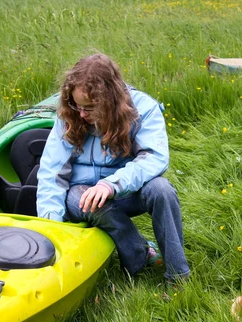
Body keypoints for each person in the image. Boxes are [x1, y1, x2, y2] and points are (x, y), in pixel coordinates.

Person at [36, 53, 190, 282]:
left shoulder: (143, 109)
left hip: (126, 190)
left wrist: (111, 185)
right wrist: (51, 229)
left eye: (89, 108)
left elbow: (154, 158)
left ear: (110, 100)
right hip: (81, 195)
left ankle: (178, 277)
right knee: (88, 199)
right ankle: (139, 258)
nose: (81, 114)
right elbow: (52, 172)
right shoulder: (71, 115)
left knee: (162, 190)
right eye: (77, 106)